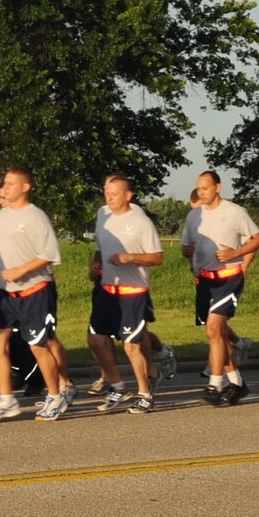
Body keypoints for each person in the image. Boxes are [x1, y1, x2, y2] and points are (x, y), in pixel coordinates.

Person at [0, 167, 74, 421]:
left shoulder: (35, 217)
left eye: (11, 183)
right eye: (4, 183)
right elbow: (11, 248)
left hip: (35, 291)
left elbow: (50, 254)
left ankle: (55, 396)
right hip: (6, 293)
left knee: (38, 347)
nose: (5, 187)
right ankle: (7, 399)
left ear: (25, 187)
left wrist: (20, 269)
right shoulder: (3, 214)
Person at [181, 171, 259, 406]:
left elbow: (257, 239)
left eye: (205, 188)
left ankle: (215, 384)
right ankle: (237, 383)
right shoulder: (195, 216)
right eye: (198, 188)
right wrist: (187, 252)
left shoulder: (235, 212)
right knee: (219, 334)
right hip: (205, 279)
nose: (200, 192)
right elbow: (186, 246)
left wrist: (235, 253)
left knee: (214, 329)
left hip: (229, 277)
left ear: (218, 187)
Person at [89, 174, 164, 412]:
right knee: (96, 340)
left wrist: (129, 257)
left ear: (128, 196)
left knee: (131, 345)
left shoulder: (140, 222)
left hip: (132, 291)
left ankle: (145, 394)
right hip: (106, 289)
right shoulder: (103, 215)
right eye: (106, 192)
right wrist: (95, 262)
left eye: (114, 193)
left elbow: (157, 257)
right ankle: (118, 387)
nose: (109, 197)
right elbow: (100, 248)